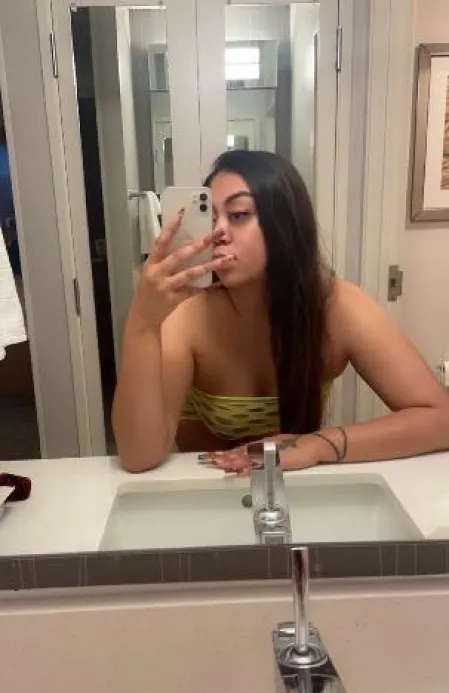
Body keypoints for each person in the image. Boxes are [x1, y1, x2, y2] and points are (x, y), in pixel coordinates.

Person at [112, 150, 449, 475]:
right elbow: (138, 456)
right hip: (208, 489)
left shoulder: (338, 306)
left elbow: (440, 418)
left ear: (286, 223)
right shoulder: (187, 316)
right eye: (210, 219)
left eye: (238, 215)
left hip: (290, 486)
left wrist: (317, 445)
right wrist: (143, 322)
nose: (218, 234)